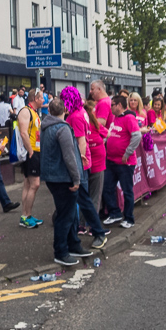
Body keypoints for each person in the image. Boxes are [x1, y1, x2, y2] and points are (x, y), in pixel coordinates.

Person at [39, 98, 93, 267]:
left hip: (52, 177)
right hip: (64, 178)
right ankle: (61, 251)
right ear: (65, 111)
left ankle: (73, 245)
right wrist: (77, 178)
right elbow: (68, 156)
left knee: (68, 214)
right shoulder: (63, 128)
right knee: (66, 215)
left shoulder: (46, 127)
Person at [59, 86, 108, 249]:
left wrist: (76, 167)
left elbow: (80, 142)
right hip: (83, 163)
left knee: (84, 200)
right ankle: (86, 233)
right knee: (83, 200)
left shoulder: (75, 116)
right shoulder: (81, 113)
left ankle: (97, 232)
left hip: (81, 164)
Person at [102, 94, 141, 229]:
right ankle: (115, 213)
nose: (110, 108)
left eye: (112, 105)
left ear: (119, 105)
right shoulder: (115, 118)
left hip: (125, 162)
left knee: (127, 190)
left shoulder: (129, 118)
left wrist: (127, 153)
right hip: (111, 160)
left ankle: (129, 218)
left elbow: (137, 136)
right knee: (107, 187)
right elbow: (111, 134)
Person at [16, 88, 44, 229]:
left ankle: (27, 215)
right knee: (35, 184)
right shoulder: (25, 111)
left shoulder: (33, 112)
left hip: (35, 150)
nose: (43, 100)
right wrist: (31, 150)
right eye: (41, 97)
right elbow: (23, 132)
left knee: (28, 183)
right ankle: (25, 216)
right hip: (31, 152)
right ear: (35, 98)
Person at [83, 98, 109, 214]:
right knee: (95, 196)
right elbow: (107, 133)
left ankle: (83, 224)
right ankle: (93, 224)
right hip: (97, 163)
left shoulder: (79, 121)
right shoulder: (95, 123)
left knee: (85, 194)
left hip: (85, 162)